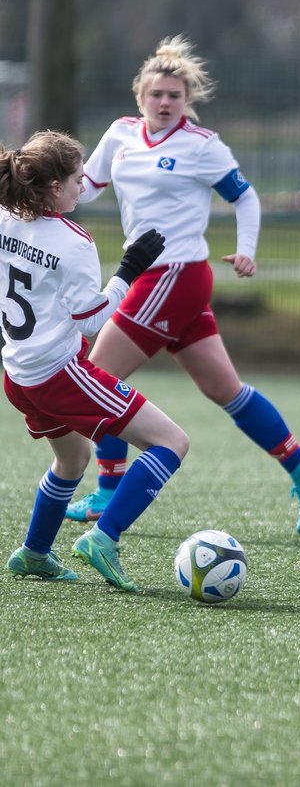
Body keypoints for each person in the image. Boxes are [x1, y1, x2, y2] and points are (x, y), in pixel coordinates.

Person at [66, 36, 300, 534]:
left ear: (188, 101)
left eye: (175, 96)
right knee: (223, 389)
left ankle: (106, 490)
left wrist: (247, 249)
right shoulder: (120, 135)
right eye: (156, 94)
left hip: (177, 274)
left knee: (96, 375)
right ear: (139, 96)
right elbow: (83, 188)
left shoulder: (202, 145)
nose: (165, 103)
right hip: (149, 275)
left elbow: (246, 199)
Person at [1, 130, 186, 591]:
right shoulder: (74, 242)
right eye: (78, 180)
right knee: (171, 442)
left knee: (74, 458)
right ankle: (104, 537)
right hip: (58, 374)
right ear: (52, 187)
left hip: (16, 373)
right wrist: (129, 270)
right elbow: (92, 322)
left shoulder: (4, 218)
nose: (83, 187)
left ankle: (34, 553)